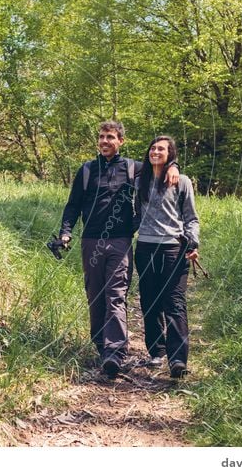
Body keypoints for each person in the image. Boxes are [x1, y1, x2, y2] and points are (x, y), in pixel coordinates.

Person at [58, 121, 179, 378]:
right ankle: (102, 346)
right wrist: (65, 232)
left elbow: (160, 162)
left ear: (120, 141)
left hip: (121, 241)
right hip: (91, 241)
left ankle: (115, 353)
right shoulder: (87, 170)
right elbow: (72, 205)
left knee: (115, 294)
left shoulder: (132, 168)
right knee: (95, 295)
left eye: (110, 137)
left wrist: (175, 166)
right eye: (101, 137)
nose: (105, 141)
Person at [134, 135, 199, 379]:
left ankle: (178, 359)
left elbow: (191, 217)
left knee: (175, 304)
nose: (155, 152)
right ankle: (156, 351)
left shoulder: (181, 181)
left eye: (161, 149)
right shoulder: (139, 180)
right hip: (145, 248)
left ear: (170, 154)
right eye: (153, 148)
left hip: (173, 248)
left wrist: (192, 242)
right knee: (150, 302)